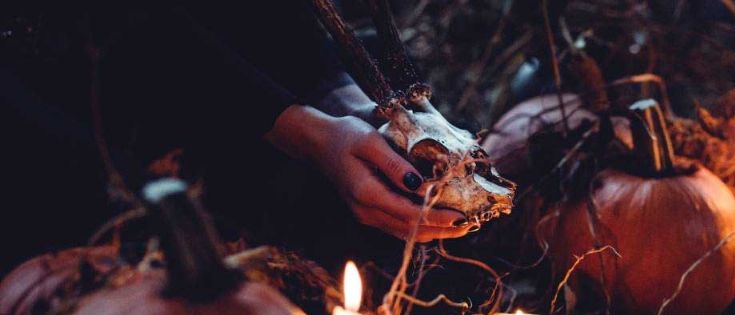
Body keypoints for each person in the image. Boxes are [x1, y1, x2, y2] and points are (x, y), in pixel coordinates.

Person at [1, 1, 470, 272]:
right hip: (64, 101)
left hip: (237, 79)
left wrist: (351, 102)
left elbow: (266, 21)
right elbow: (127, 25)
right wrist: (308, 131)